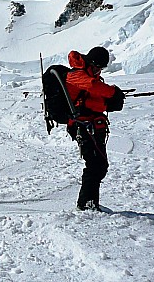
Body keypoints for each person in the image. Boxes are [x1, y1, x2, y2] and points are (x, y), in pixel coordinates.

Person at [65, 46, 125, 211]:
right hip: (82, 126)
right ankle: (86, 205)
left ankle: (89, 203)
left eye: (101, 68)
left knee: (98, 164)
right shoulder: (76, 74)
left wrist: (107, 103)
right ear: (89, 62)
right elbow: (92, 87)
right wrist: (113, 93)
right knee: (96, 164)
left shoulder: (88, 75)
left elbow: (91, 99)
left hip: (92, 125)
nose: (98, 70)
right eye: (96, 66)